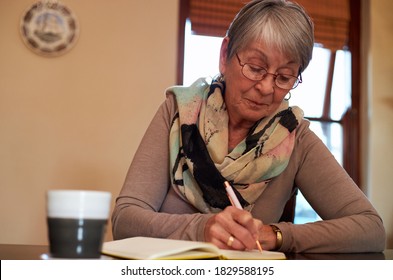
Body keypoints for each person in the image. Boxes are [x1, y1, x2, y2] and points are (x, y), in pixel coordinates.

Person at [112, 0, 386, 253]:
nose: (267, 88)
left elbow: (370, 228)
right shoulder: (180, 113)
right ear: (224, 55)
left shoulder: (293, 137)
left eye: (284, 77)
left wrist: (276, 235)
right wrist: (201, 229)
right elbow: (125, 219)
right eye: (255, 68)